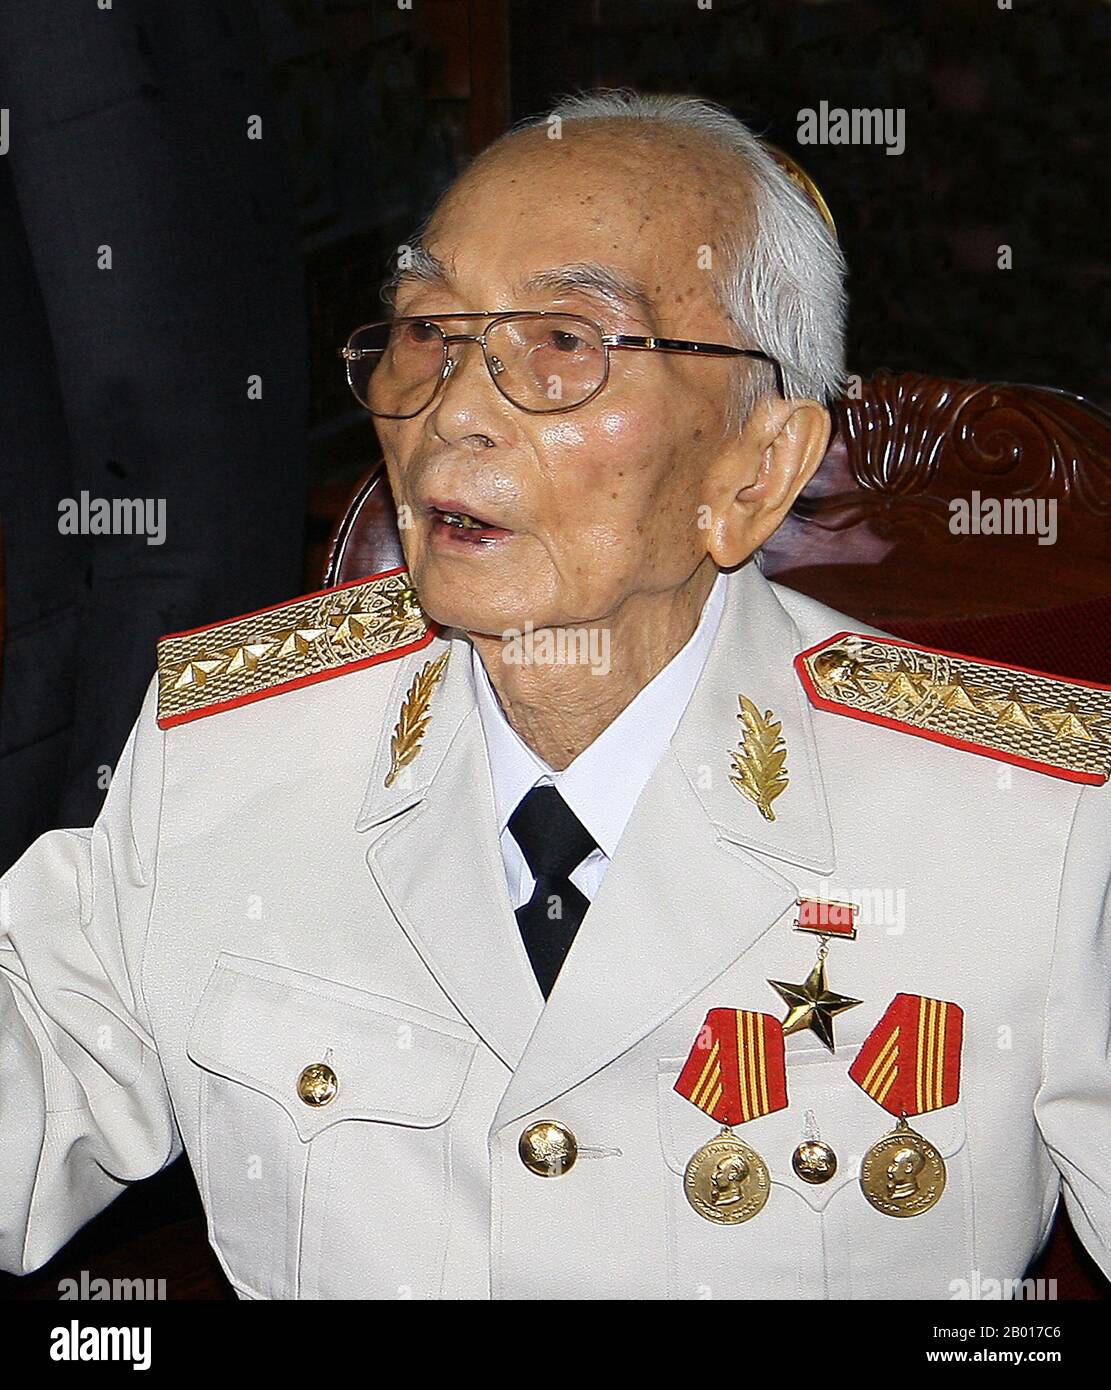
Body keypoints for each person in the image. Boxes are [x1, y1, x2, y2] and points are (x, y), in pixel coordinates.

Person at [1, 90, 1108, 1300]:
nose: (452, 412)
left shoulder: (1032, 827)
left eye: (565, 345)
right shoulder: (232, 749)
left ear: (757, 464)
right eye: (426, 330)